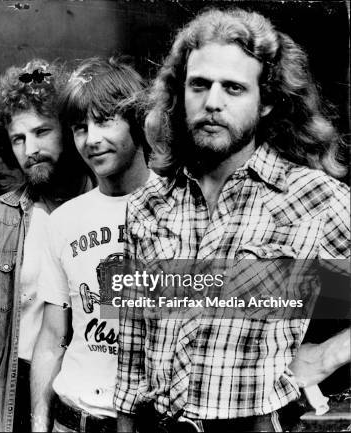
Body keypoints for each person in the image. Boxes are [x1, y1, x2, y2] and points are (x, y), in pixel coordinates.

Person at [115, 8, 350, 432]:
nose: (212, 102)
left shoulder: (311, 197)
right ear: (179, 94)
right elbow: (132, 350)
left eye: (234, 88)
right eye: (199, 85)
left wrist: (324, 356)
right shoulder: (148, 205)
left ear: (267, 103)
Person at [0, 59, 93, 432]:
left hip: (89, 381)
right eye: (18, 139)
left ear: (68, 133)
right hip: (18, 386)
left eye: (42, 132)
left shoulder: (108, 207)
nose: (30, 149)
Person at [30, 57, 149, 432]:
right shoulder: (65, 220)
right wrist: (39, 422)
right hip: (73, 419)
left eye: (105, 120)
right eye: (81, 127)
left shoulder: (181, 207)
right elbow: (51, 337)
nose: (92, 139)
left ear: (138, 121)